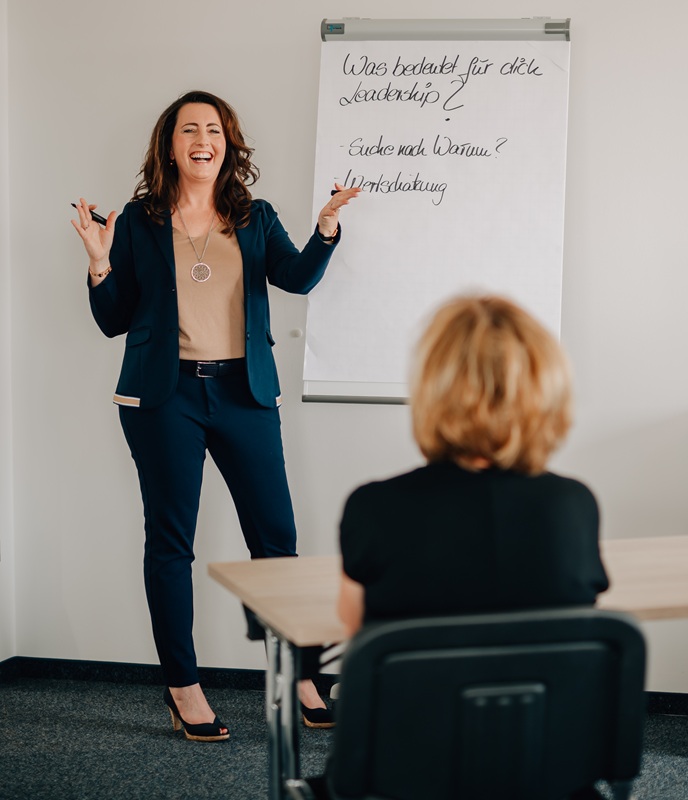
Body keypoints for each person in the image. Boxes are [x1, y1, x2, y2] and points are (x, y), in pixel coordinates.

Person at [71, 90, 360, 742]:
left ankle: (301, 675)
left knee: (276, 542)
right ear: (169, 145)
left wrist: (326, 230)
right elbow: (114, 318)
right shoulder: (140, 223)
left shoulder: (253, 216)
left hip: (244, 395)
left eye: (216, 129)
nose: (205, 138)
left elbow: (297, 277)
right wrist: (97, 260)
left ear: (228, 144)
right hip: (163, 398)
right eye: (190, 129)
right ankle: (184, 686)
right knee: (172, 542)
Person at [328, 294, 608, 800]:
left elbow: (359, 640)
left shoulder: (375, 507)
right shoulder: (573, 505)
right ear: (546, 390)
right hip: (546, 771)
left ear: (432, 391)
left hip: (406, 774)